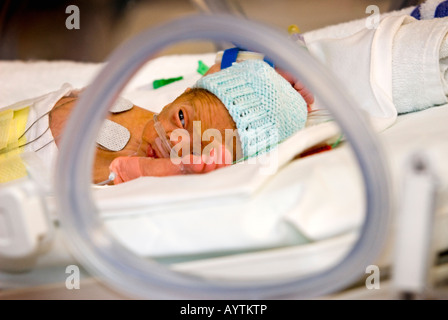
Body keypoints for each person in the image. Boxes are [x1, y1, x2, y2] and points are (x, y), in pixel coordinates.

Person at [47, 58, 314, 185]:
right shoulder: (201, 94)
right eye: (182, 118)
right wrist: (276, 73)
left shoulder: (142, 171)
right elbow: (223, 66)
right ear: (183, 93)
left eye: (197, 150)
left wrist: (144, 171)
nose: (173, 141)